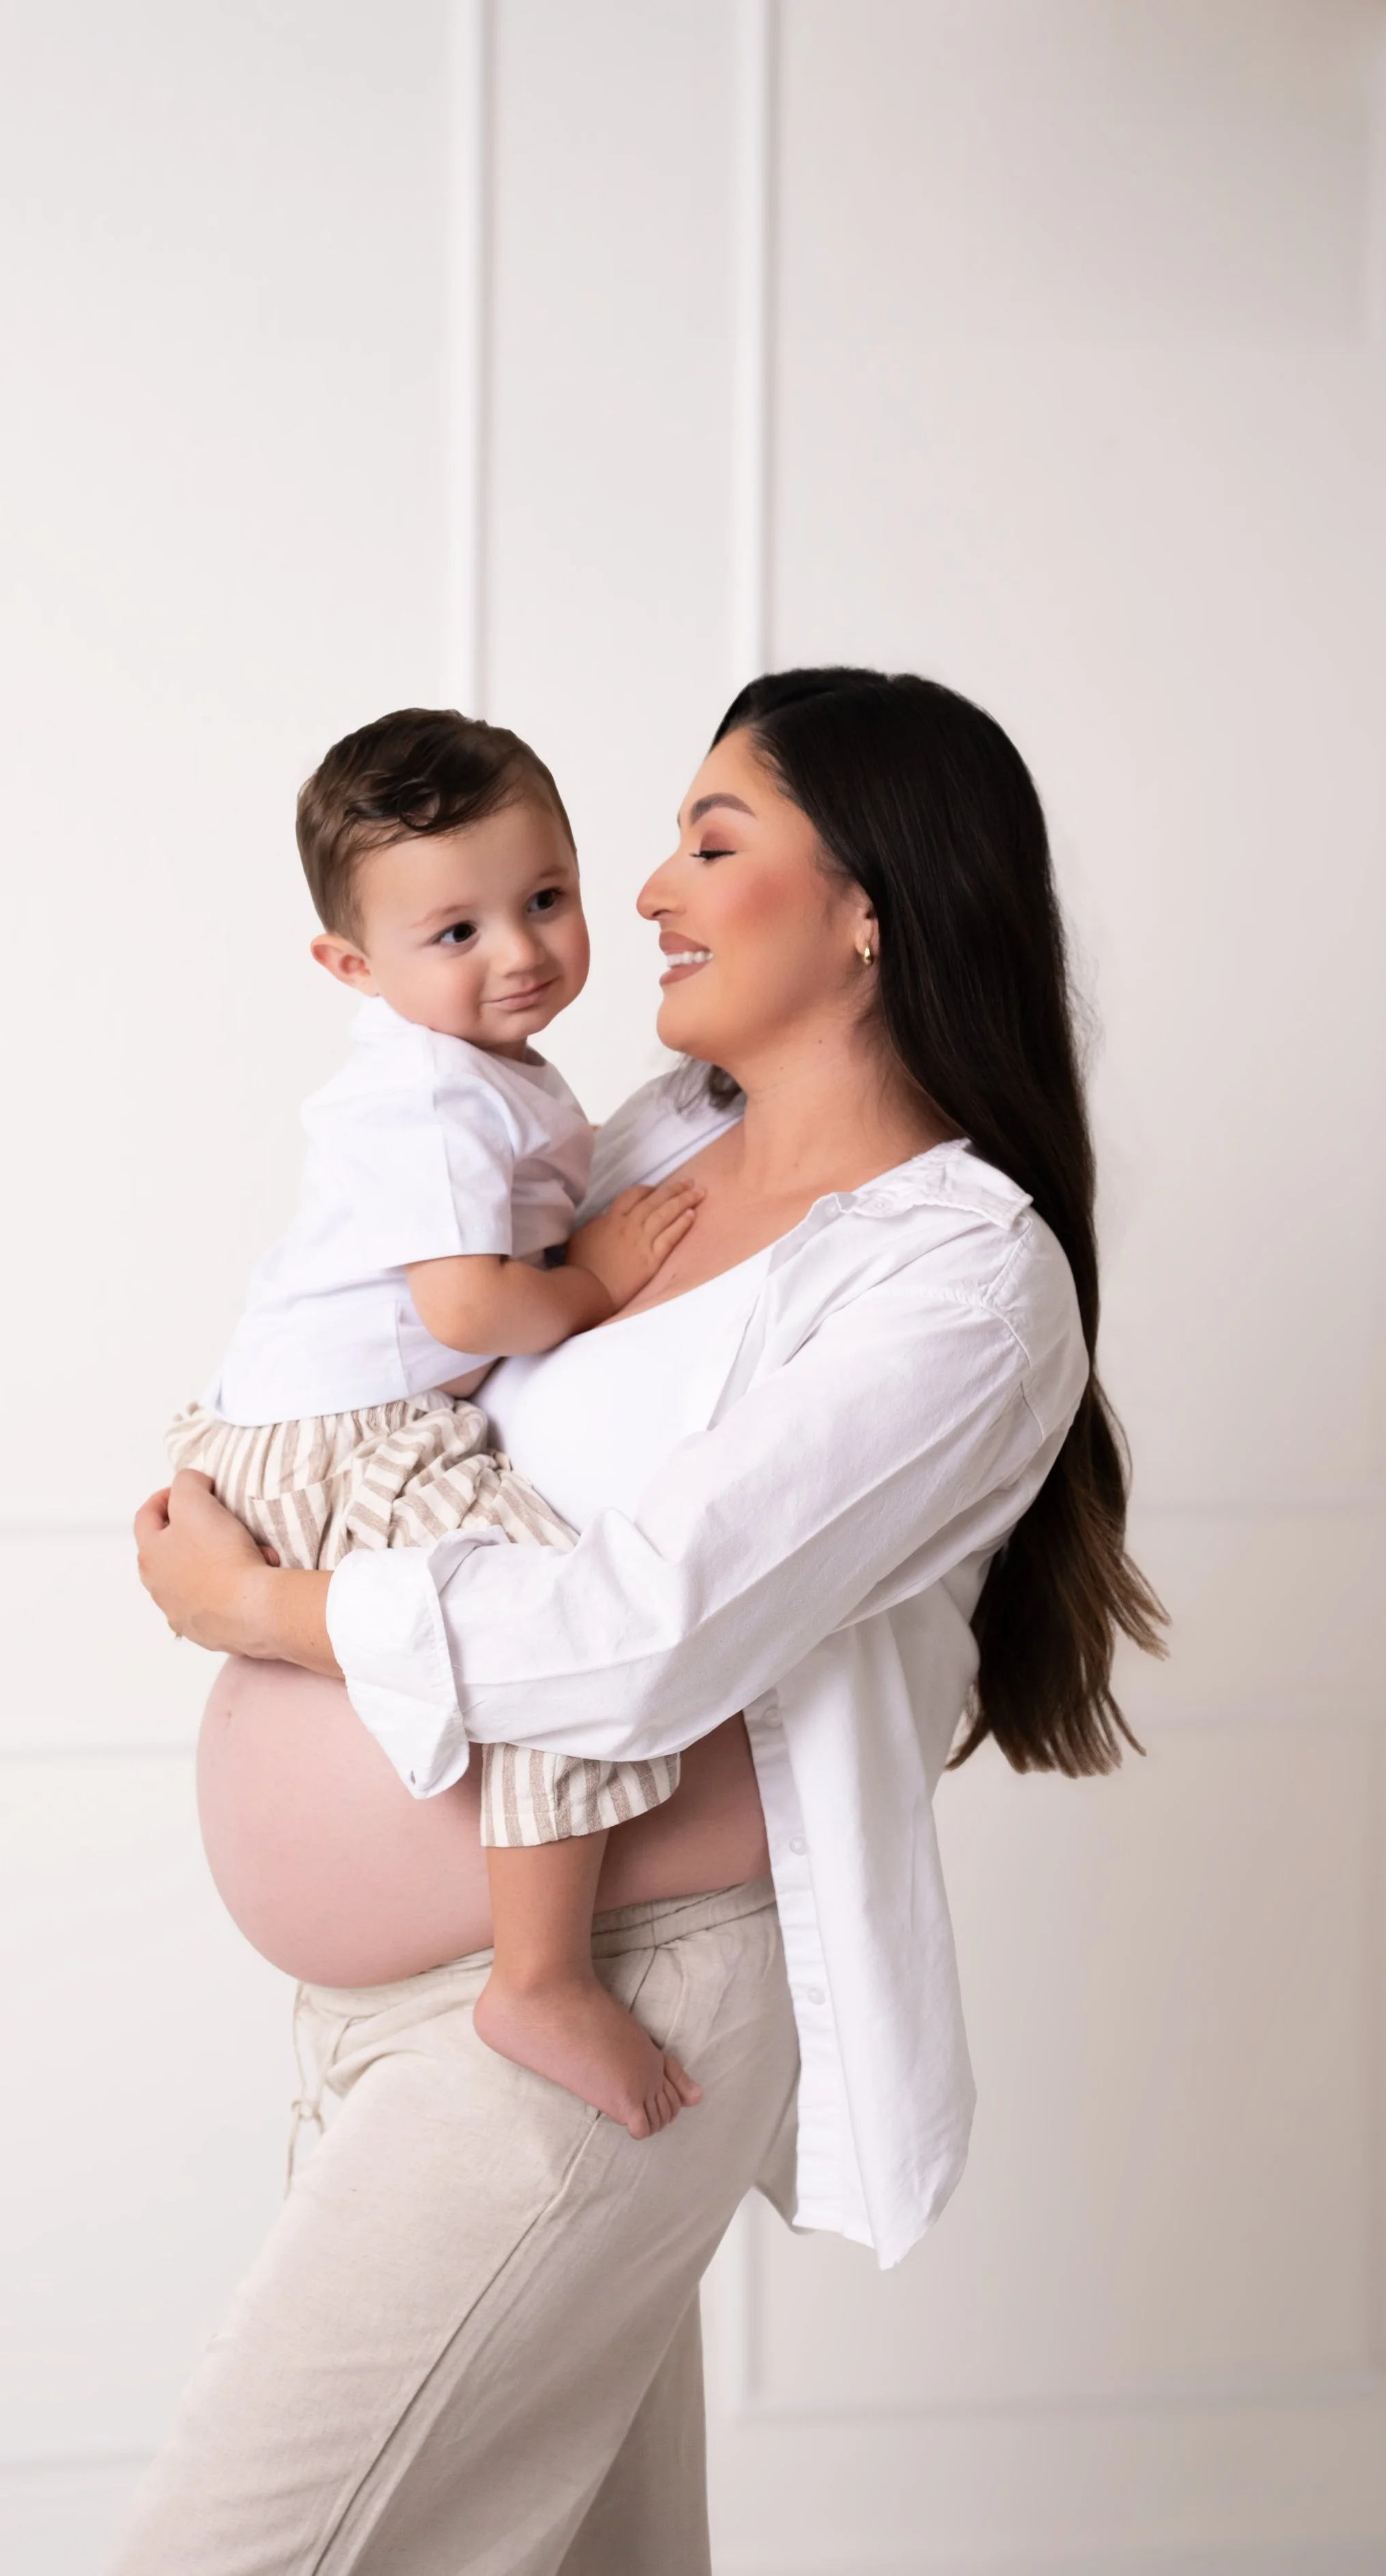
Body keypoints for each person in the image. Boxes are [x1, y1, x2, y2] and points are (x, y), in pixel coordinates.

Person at [119, 668, 1164, 2576]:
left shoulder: (959, 1276)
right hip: (372, 2006)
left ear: (870, 903)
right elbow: (426, 1357)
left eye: (712, 837)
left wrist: (257, 1603)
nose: (651, 890)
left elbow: (635, 1629)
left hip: (609, 1981)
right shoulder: (659, 1132)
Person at [164, 706, 709, 2136]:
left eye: (543, 900)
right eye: (452, 933)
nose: (519, 953)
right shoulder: (427, 1098)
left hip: (326, 1413)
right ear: (351, 965)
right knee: (549, 1627)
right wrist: (591, 1279)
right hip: (345, 1431)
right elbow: (468, 1307)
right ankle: (536, 1977)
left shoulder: (477, 1071)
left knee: (539, 1622)